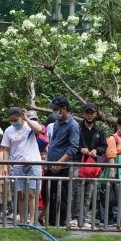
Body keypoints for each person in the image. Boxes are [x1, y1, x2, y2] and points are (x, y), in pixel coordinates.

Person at [1, 107, 44, 225]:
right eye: (12, 120)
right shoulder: (8, 131)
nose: (14, 122)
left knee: (32, 193)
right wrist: (5, 165)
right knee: (20, 194)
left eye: (16, 119)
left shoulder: (29, 125)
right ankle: (23, 220)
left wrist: (26, 119)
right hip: (17, 165)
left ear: (21, 117)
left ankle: (32, 221)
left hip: (33, 163)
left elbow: (39, 129)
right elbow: (6, 148)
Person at [45, 95, 80, 226]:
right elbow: (53, 142)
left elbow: (73, 147)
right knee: (50, 194)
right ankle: (51, 220)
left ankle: (61, 221)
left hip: (62, 168)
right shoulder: (57, 123)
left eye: (55, 109)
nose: (53, 111)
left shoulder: (73, 125)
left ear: (64, 108)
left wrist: (60, 162)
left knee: (62, 195)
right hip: (51, 165)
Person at [73, 102, 109, 229]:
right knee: (77, 192)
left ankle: (83, 219)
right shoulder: (76, 128)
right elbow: (71, 143)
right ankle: (75, 218)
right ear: (83, 114)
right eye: (87, 113)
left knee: (88, 194)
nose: (89, 115)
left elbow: (104, 146)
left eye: (92, 113)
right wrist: (80, 149)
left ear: (95, 114)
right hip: (79, 163)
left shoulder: (99, 130)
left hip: (93, 165)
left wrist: (96, 150)